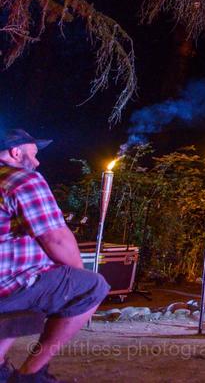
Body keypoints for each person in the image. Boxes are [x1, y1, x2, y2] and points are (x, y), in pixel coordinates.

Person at [0, 129, 109, 383]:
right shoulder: (23, 179)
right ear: (17, 152)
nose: (37, 162)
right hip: (5, 288)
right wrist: (78, 275)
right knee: (90, 287)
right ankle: (30, 375)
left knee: (34, 281)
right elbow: (55, 238)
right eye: (34, 154)